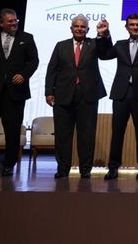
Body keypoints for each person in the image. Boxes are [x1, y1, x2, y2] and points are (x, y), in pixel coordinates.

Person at [96, 14, 138, 180]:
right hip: (121, 93)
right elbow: (104, 55)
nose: (135, 27)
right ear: (126, 27)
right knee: (117, 132)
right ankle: (113, 168)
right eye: (132, 25)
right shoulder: (119, 45)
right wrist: (103, 35)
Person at [0, 8, 39, 177]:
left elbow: (34, 61)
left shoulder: (26, 38)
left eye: (16, 20)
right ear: (1, 23)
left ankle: (9, 164)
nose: (14, 23)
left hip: (16, 92)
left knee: (12, 130)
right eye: (10, 21)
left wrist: (24, 75)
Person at [45, 15, 107, 179]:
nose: (79, 29)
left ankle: (85, 169)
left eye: (83, 27)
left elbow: (105, 52)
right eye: (76, 26)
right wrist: (49, 92)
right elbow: (52, 70)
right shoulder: (61, 46)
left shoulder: (94, 43)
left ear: (88, 29)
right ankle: (63, 168)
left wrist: (103, 35)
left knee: (87, 135)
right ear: (71, 28)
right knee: (62, 135)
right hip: (63, 95)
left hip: (88, 95)